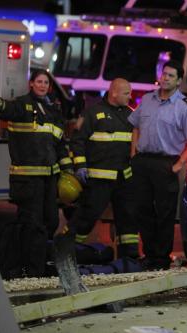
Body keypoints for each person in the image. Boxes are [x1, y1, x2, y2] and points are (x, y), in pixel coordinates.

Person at [128, 60, 187, 270]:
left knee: (164, 213)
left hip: (166, 164)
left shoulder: (184, 106)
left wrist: (180, 163)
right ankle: (149, 255)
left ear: (179, 81)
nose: (165, 78)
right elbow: (134, 126)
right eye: (164, 74)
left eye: (171, 76)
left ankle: (161, 258)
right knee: (142, 211)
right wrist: (133, 153)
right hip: (143, 162)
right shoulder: (147, 99)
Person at [0, 69, 72, 237]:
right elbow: (7, 110)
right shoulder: (21, 104)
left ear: (49, 87)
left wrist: (68, 170)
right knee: (31, 223)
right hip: (28, 179)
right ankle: (27, 259)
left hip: (49, 178)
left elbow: (60, 144)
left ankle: (40, 257)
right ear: (31, 84)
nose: (42, 85)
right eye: (39, 82)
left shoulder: (52, 111)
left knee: (52, 221)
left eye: (46, 82)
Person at [67, 78, 140, 259]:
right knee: (86, 216)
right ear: (113, 92)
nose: (130, 97)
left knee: (128, 220)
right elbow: (77, 142)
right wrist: (80, 166)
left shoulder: (130, 116)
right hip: (98, 179)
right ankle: (67, 251)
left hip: (124, 179)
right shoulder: (91, 114)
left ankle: (129, 259)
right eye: (126, 93)